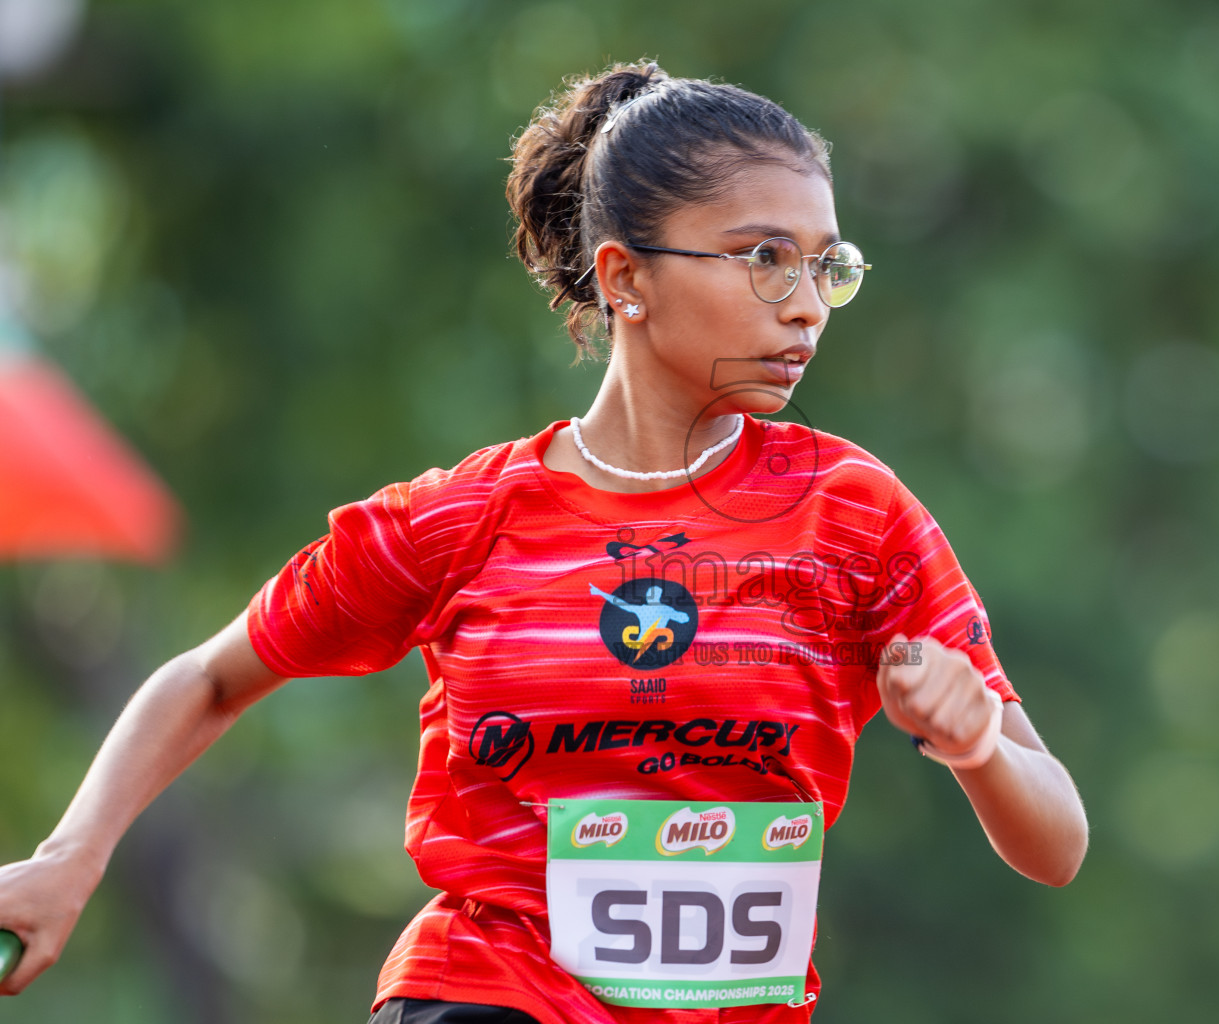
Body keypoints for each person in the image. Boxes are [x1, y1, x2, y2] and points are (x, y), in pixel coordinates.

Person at [0, 60, 1089, 1021]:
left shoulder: (855, 515)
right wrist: (67, 858)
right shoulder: (461, 520)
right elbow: (207, 677)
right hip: (486, 997)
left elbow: (1057, 842)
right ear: (625, 280)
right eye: (765, 258)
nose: (806, 305)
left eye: (825, 265)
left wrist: (978, 739)